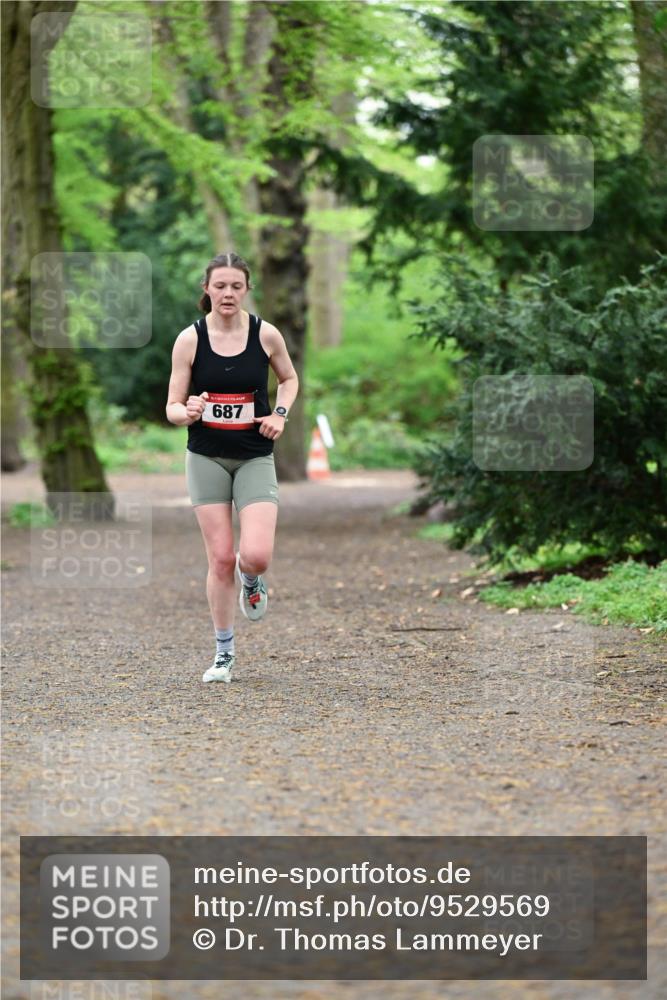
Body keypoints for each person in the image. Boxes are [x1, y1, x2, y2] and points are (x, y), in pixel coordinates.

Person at [166, 252, 299, 683]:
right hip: (205, 456)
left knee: (255, 556)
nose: (227, 293)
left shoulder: (266, 334)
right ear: (206, 289)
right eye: (219, 285)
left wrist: (279, 412)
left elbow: (290, 379)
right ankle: (224, 654)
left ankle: (253, 581)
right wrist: (187, 411)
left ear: (247, 289)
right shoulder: (190, 340)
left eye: (236, 286)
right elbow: (171, 407)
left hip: (254, 454)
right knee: (221, 558)